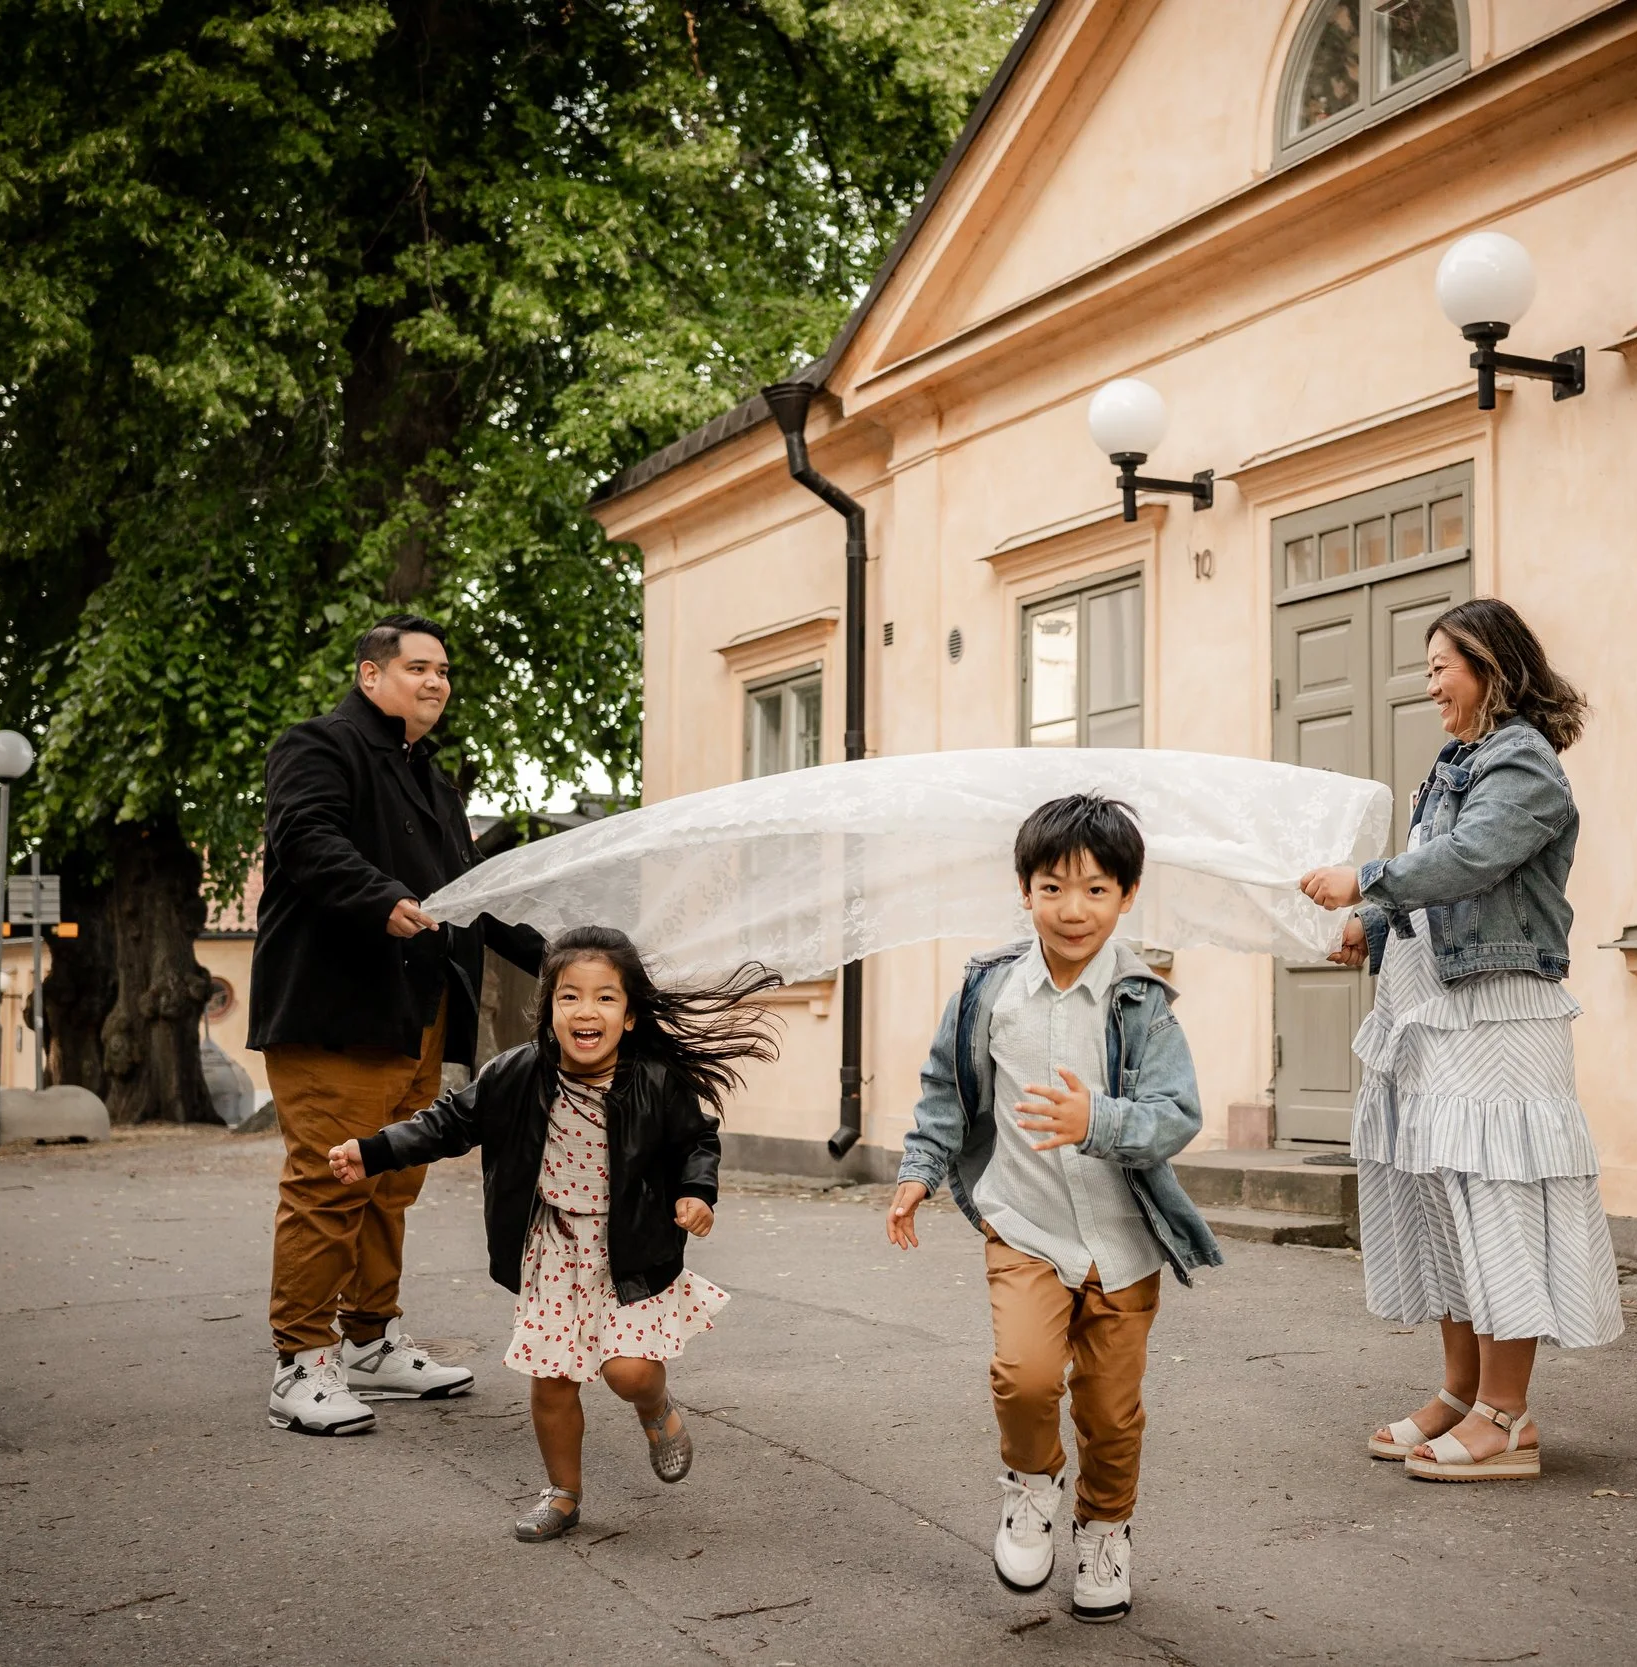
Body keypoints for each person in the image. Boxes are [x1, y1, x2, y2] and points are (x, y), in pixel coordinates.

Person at [1299, 597, 1624, 1482]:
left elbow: (1474, 858)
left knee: (1496, 1195)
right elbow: (1439, 887)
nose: (1430, 680)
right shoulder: (1457, 762)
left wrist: (1367, 879)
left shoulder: (1524, 765)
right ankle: (1459, 1393)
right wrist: (1374, 920)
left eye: (1443, 663)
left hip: (1497, 1017)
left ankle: (1507, 1416)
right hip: (1435, 1012)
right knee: (1444, 1197)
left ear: (1491, 666)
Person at [886, 795, 1221, 1624]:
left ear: (1128, 894)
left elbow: (1178, 1114)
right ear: (1025, 890)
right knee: (1025, 1375)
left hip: (1122, 1245)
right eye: (1053, 886)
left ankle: (1105, 1528)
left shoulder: (1142, 999)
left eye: (1097, 889)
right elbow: (945, 1090)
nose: (1074, 909)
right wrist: (920, 1170)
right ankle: (1031, 1484)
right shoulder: (988, 989)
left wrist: (1095, 1120)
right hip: (1024, 1224)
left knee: (1110, 1412)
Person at [328, 927, 780, 1541]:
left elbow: (697, 1139)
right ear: (549, 1010)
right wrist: (375, 1151)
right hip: (552, 1250)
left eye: (605, 998)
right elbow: (447, 1123)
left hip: (632, 1248)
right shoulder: (514, 1075)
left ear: (630, 1015)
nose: (586, 1011)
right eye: (570, 997)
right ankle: (563, 1493)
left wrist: (696, 1193)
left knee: (630, 1373)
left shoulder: (654, 1080)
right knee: (553, 1380)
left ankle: (656, 1408)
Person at [249, 614, 544, 1435]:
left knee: (390, 1180)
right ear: (371, 675)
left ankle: (370, 1341)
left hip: (417, 1014)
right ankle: (301, 1362)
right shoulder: (318, 745)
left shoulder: (432, 780)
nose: (437, 682)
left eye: (445, 670)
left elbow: (471, 893)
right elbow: (306, 841)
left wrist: (570, 958)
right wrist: (384, 898)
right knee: (330, 1179)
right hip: (336, 1009)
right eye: (418, 667)